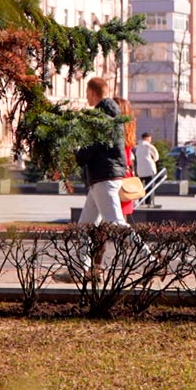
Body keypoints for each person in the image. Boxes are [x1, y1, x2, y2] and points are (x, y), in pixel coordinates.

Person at [53, 79, 159, 283]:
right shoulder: (113, 114)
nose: (86, 96)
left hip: (104, 178)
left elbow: (89, 151)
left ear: (93, 93)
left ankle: (151, 261)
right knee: (84, 227)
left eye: (86, 92)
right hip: (102, 178)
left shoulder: (100, 117)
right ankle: (78, 271)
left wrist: (75, 153)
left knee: (117, 224)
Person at [114, 97, 137, 218]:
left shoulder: (115, 131)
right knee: (121, 218)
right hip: (126, 179)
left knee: (111, 218)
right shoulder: (128, 129)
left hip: (115, 176)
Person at [135, 132, 160, 207]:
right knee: (150, 186)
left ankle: (141, 201)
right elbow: (156, 156)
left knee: (141, 187)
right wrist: (153, 160)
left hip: (140, 170)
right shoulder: (149, 146)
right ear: (147, 138)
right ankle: (149, 202)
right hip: (149, 169)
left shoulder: (137, 146)